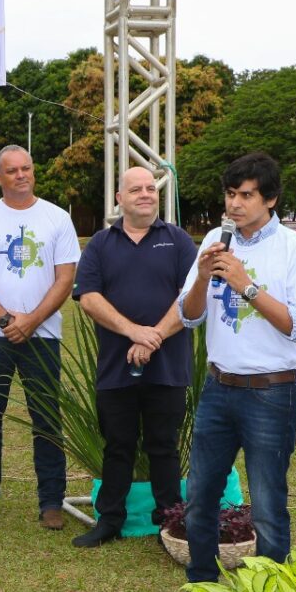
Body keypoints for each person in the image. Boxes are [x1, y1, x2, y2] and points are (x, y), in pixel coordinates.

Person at [167, 152, 296, 592]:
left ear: (270, 199)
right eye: (230, 194)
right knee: (201, 494)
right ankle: (201, 587)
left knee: (269, 501)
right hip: (218, 387)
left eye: (246, 195)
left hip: (271, 393)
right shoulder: (215, 240)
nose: (235, 204)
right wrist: (201, 275)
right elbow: (191, 314)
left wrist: (246, 285)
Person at [0, 145, 80, 530]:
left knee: (46, 420)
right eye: (12, 171)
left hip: (42, 336)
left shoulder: (57, 218)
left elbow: (65, 277)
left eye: (26, 168)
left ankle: (51, 503)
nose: (21, 175)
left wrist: (33, 319)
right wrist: (8, 319)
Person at [71, 167, 197, 547]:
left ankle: (170, 524)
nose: (145, 194)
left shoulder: (178, 241)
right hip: (115, 366)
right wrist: (133, 332)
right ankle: (109, 520)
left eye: (150, 189)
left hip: (168, 367)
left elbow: (190, 299)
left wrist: (152, 337)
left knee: (164, 446)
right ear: (119, 198)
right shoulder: (99, 244)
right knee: (117, 445)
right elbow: (89, 298)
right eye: (136, 189)